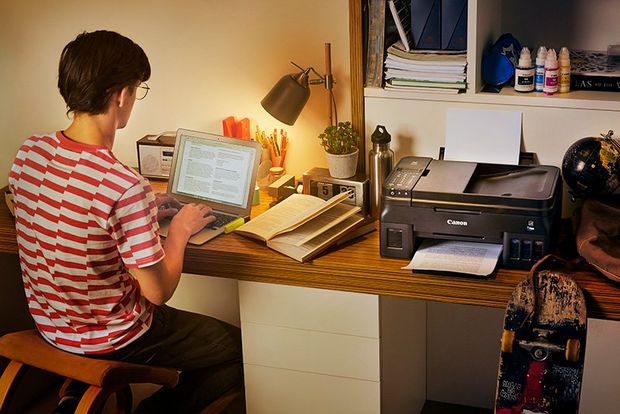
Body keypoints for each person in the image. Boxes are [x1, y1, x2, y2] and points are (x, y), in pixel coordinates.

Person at [8, 30, 243, 413]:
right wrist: (180, 231)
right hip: (112, 337)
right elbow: (158, 292)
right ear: (121, 95)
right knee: (241, 351)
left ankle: (70, 396)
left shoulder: (30, 153)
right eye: (137, 89)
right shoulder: (123, 185)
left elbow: (71, 208)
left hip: (51, 326)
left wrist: (139, 208)